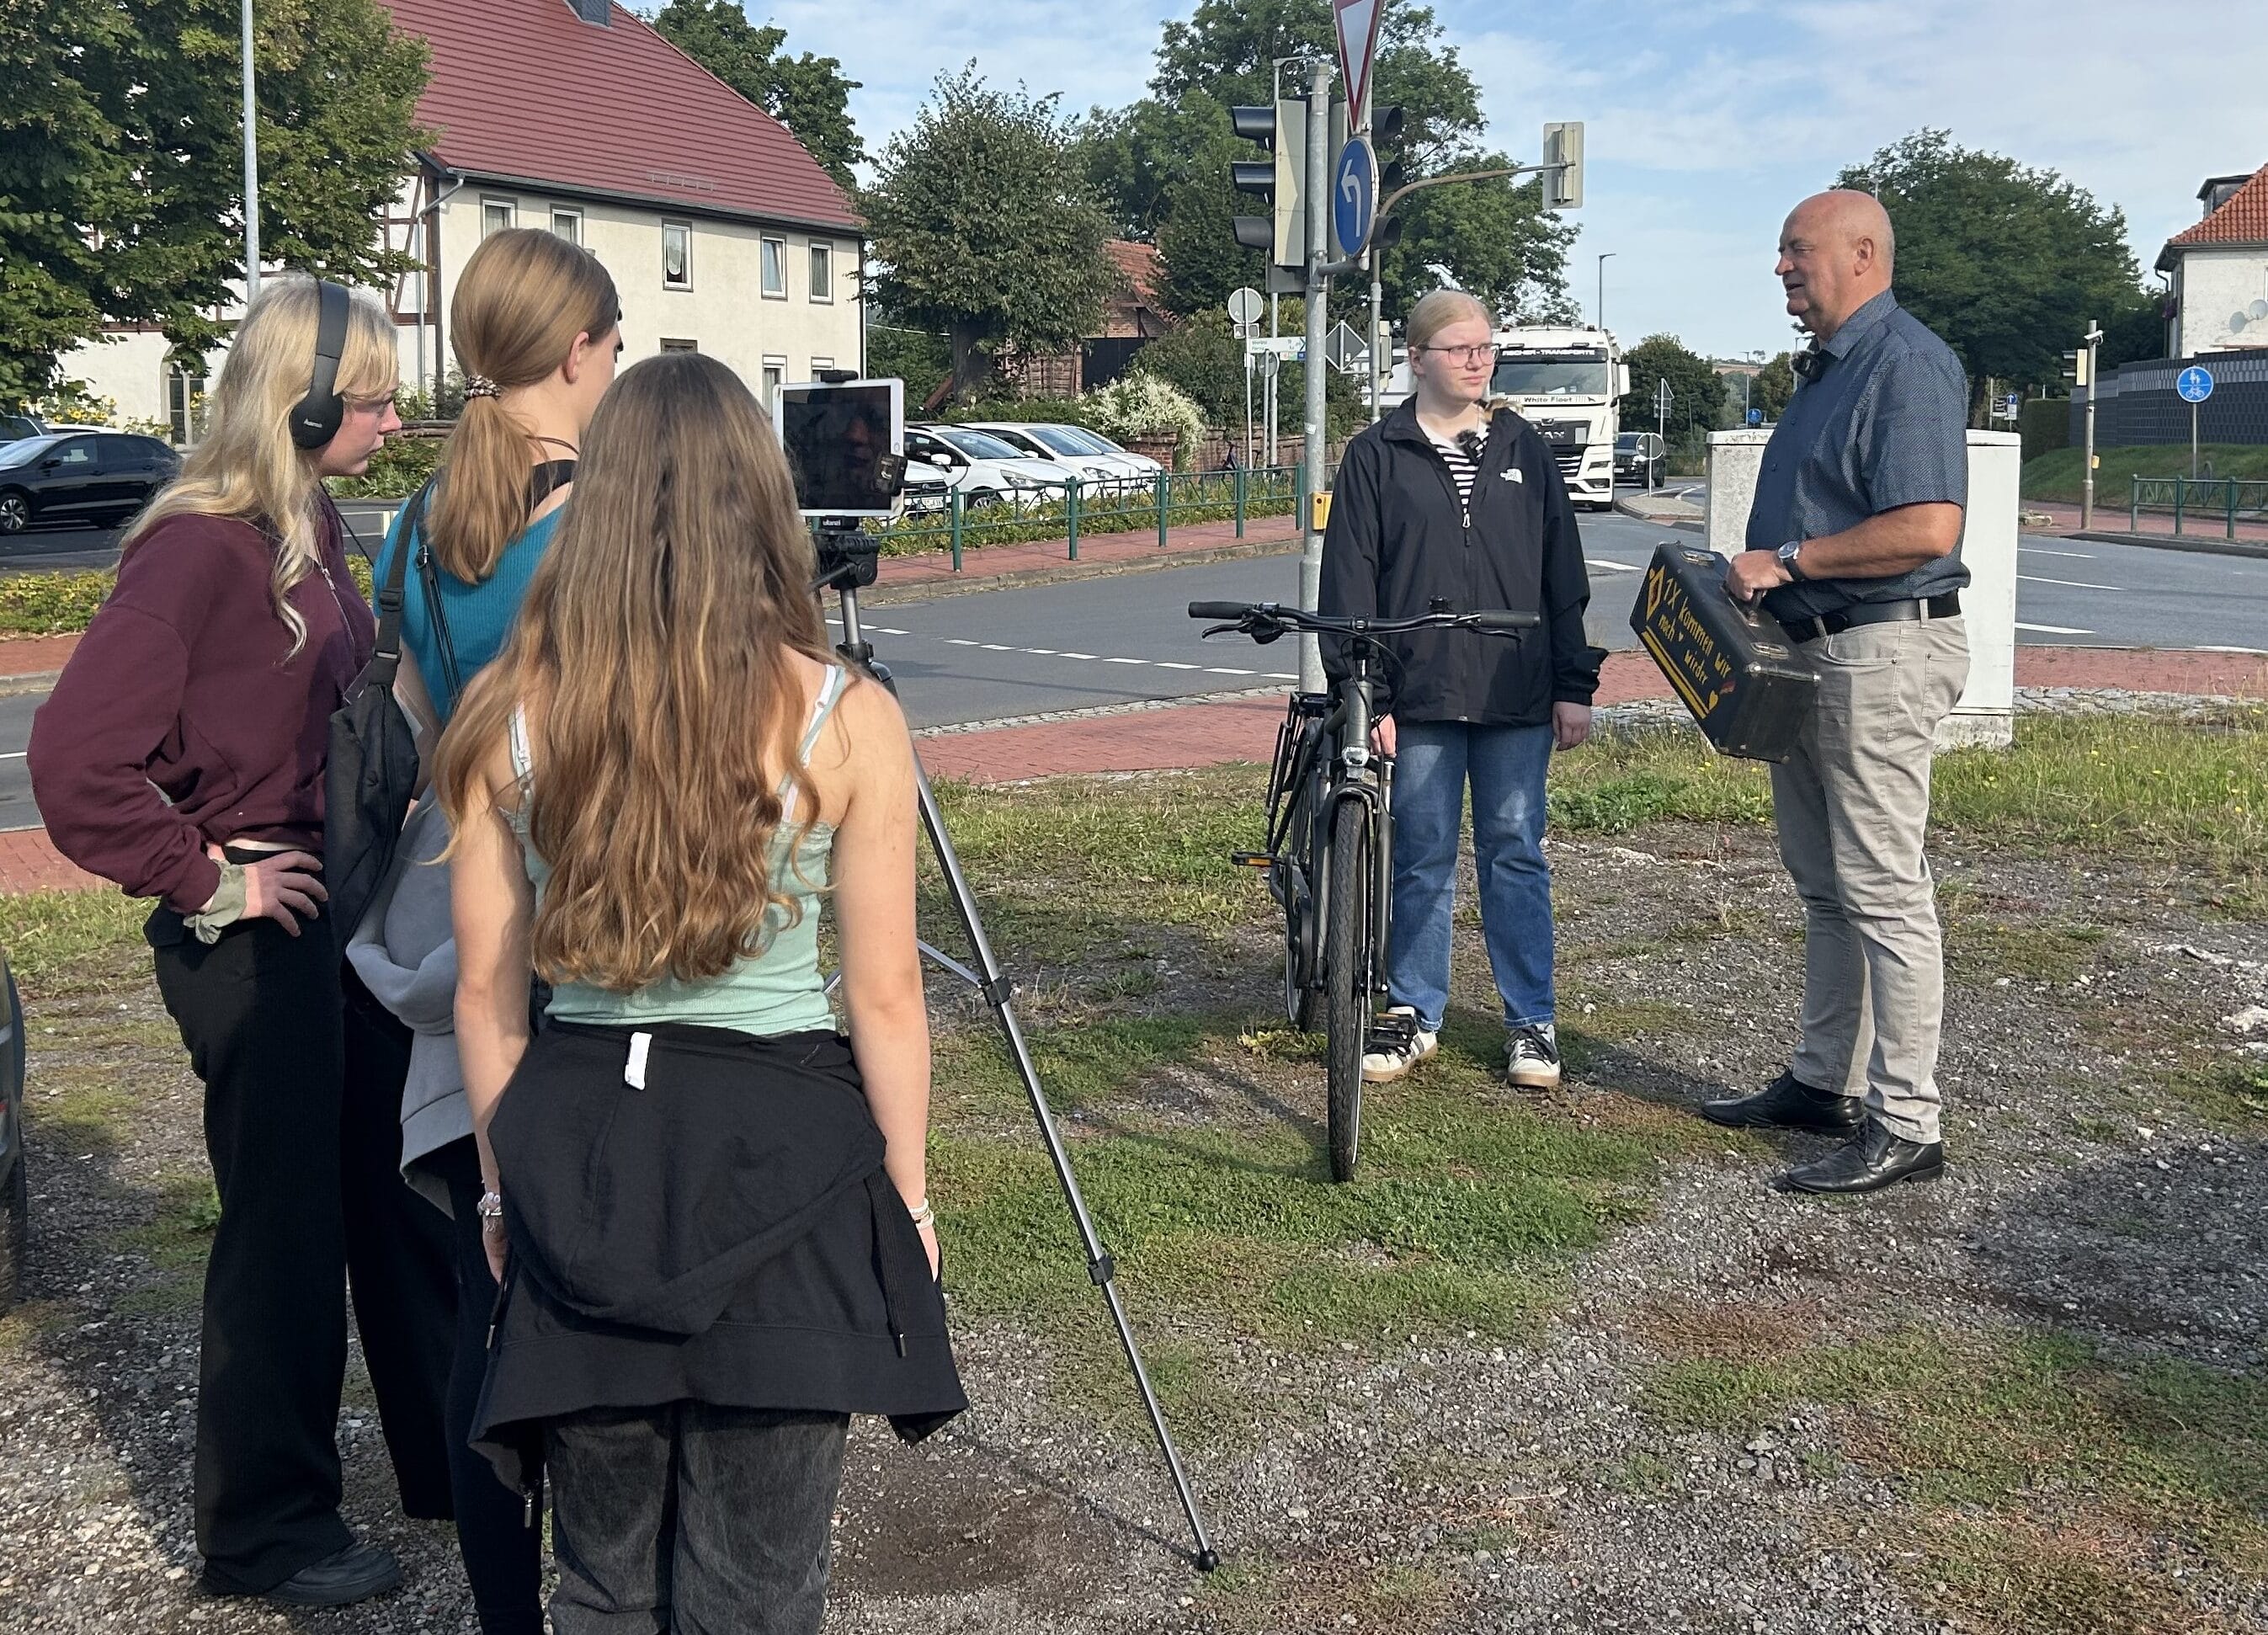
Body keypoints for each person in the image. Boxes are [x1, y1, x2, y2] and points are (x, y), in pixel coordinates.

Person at [434, 351, 964, 1633]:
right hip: (779, 1155)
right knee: (761, 1584)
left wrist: (506, 1190)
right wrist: (908, 1199)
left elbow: (487, 999)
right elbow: (885, 993)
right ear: (761, 502)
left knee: (603, 1579)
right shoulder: (844, 715)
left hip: (586, 1154)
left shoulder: (507, 716)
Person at [28, 275, 454, 1607]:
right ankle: (265, 1527)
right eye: (374, 397)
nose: (391, 419)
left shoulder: (308, 522)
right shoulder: (200, 549)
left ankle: (446, 1456)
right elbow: (74, 762)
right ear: (306, 401)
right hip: (255, 940)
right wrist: (211, 875)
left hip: (338, 920)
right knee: (284, 1233)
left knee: (395, 1188)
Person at [345, 225, 619, 1635]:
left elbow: (405, 731)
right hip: (571, 912)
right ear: (578, 352)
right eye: (614, 347)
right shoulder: (600, 528)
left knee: (479, 1290)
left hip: (456, 909)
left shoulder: (406, 528)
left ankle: (502, 1602)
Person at [1702, 189, 1971, 1196]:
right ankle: (1824, 1082)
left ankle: (1907, 1120)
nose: (1781, 268)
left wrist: (1786, 558)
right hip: (1818, 656)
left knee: (1884, 890)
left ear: (1862, 253)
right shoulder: (1830, 370)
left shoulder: (1906, 364)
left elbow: (1927, 527)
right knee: (1826, 888)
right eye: (1779, 251)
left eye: (1795, 250)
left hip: (1879, 653)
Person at [1320, 289, 1603, 1091]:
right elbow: (1352, 581)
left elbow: (1563, 576)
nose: (1479, 361)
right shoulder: (1378, 454)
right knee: (1422, 855)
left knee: (1515, 851)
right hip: (1422, 691)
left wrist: (1572, 683)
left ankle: (1531, 1023)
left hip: (1518, 686)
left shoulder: (1526, 449)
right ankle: (1414, 1012)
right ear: (1416, 358)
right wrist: (1364, 692)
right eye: (1460, 349)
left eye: (1486, 347)